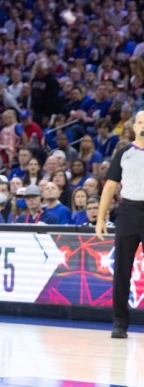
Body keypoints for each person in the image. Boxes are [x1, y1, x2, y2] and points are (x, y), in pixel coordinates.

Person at [96, 110, 144, 340]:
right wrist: (100, 217)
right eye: (141, 122)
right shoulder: (124, 153)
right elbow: (109, 187)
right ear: (134, 126)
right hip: (128, 211)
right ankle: (119, 323)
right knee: (122, 270)